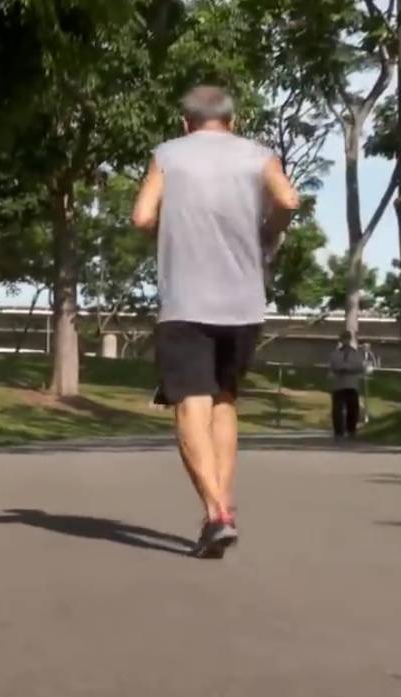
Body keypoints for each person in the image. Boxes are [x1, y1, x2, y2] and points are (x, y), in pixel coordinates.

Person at [131, 85, 301, 559]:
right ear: (234, 120)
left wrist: (172, 230)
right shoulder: (258, 155)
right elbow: (288, 201)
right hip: (243, 303)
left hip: (186, 301)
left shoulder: (167, 154)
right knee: (224, 401)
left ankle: (215, 513)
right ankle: (224, 507)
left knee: (191, 405)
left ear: (186, 122)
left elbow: (142, 215)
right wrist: (266, 235)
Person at [328, 331, 366, 438]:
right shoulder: (335, 354)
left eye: (347, 338)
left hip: (351, 384)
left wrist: (349, 369)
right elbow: (332, 366)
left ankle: (351, 429)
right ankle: (338, 431)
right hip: (338, 384)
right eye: (343, 338)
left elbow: (360, 367)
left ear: (349, 339)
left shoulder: (356, 354)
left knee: (352, 408)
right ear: (340, 340)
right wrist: (339, 369)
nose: (345, 341)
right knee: (337, 409)